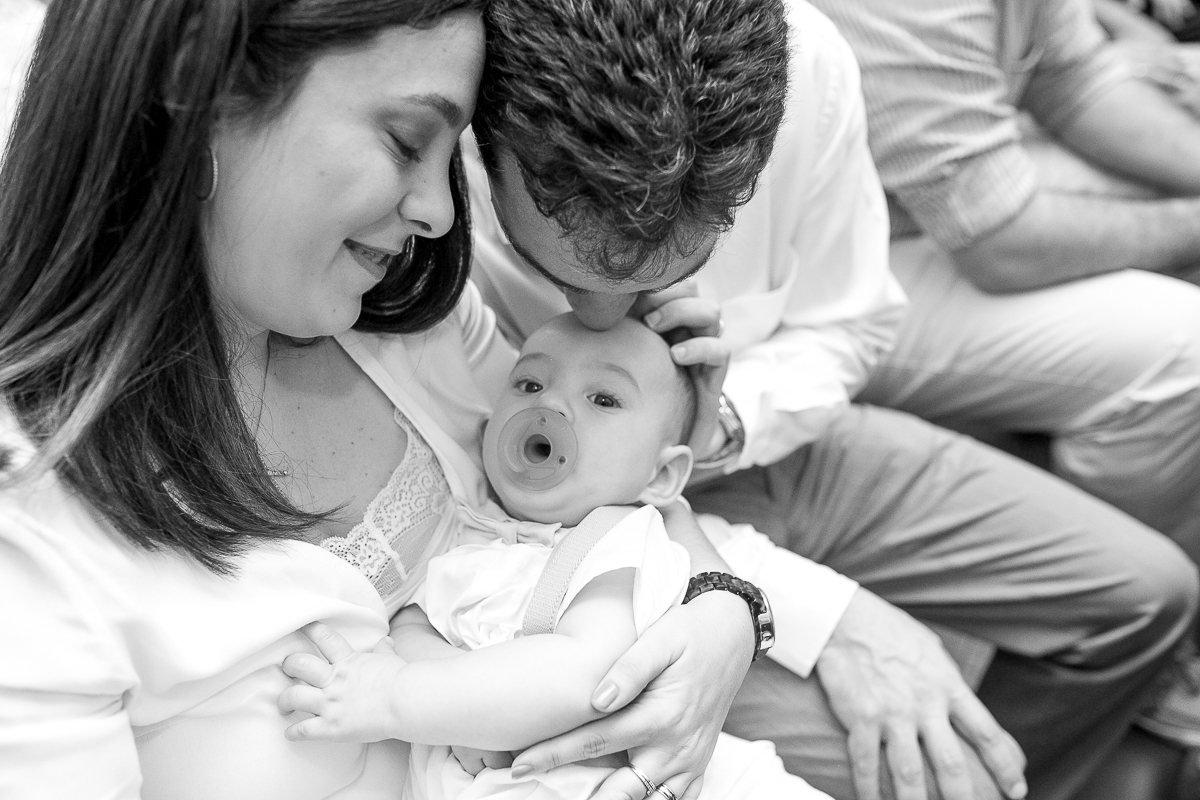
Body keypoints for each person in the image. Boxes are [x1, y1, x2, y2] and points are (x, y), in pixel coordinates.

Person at [0, 1, 760, 797]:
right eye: (405, 141)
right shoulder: (37, 542)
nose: (439, 211)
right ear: (200, 89)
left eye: (450, 154)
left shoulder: (412, 323)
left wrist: (729, 611)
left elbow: (599, 511)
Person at [464, 0, 1200, 798]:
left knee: (1150, 597)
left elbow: (849, 322)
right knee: (945, 780)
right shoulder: (447, 113)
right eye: (556, 274)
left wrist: (726, 422)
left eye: (674, 270)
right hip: (578, 554)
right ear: (485, 147)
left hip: (765, 443)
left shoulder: (807, 63)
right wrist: (826, 614)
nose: (605, 317)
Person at [278, 313, 829, 800]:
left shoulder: (617, 541)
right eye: (529, 383)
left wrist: (396, 697)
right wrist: (464, 711)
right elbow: (413, 631)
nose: (550, 404)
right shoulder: (469, 534)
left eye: (604, 399)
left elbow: (580, 675)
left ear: (661, 475)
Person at [801, 0, 1200, 558]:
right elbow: (1002, 247)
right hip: (814, 277)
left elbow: (1074, 81)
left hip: (912, 210)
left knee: (1155, 191)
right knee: (1182, 346)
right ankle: (1124, 568)